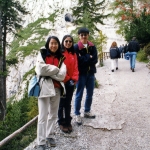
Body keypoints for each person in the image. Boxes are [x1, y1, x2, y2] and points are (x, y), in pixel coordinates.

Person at [35, 36, 66, 150]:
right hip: (44, 88)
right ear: (48, 44)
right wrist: (56, 69)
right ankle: (41, 142)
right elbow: (40, 70)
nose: (53, 45)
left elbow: (62, 75)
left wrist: (49, 71)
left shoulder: (61, 57)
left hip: (57, 88)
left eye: (56, 43)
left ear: (58, 45)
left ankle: (50, 135)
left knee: (53, 115)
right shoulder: (42, 54)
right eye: (51, 43)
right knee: (43, 116)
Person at [74, 27, 98, 125]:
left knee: (90, 94)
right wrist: (89, 57)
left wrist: (84, 58)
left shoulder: (92, 46)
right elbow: (78, 61)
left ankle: (87, 111)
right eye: (82, 35)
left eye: (85, 34)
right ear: (79, 36)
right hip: (81, 74)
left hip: (91, 73)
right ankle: (77, 114)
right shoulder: (76, 47)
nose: (84, 36)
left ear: (88, 35)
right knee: (79, 94)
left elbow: (95, 60)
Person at [58, 35, 79, 133]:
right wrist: (67, 79)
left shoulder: (73, 54)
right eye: (66, 41)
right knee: (61, 103)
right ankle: (61, 122)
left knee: (68, 103)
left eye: (70, 41)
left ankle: (68, 121)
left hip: (71, 82)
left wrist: (74, 79)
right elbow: (59, 69)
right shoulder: (60, 53)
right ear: (63, 42)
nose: (68, 43)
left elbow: (75, 67)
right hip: (62, 82)